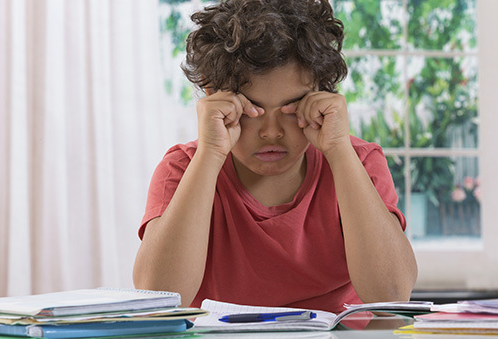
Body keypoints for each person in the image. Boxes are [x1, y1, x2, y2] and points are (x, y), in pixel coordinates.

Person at [133, 0, 417, 313]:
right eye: (251, 110)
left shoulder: (358, 162)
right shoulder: (184, 168)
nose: (271, 132)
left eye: (291, 108)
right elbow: (158, 297)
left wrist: (338, 149)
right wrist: (210, 153)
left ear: (322, 94)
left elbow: (391, 294)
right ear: (213, 96)